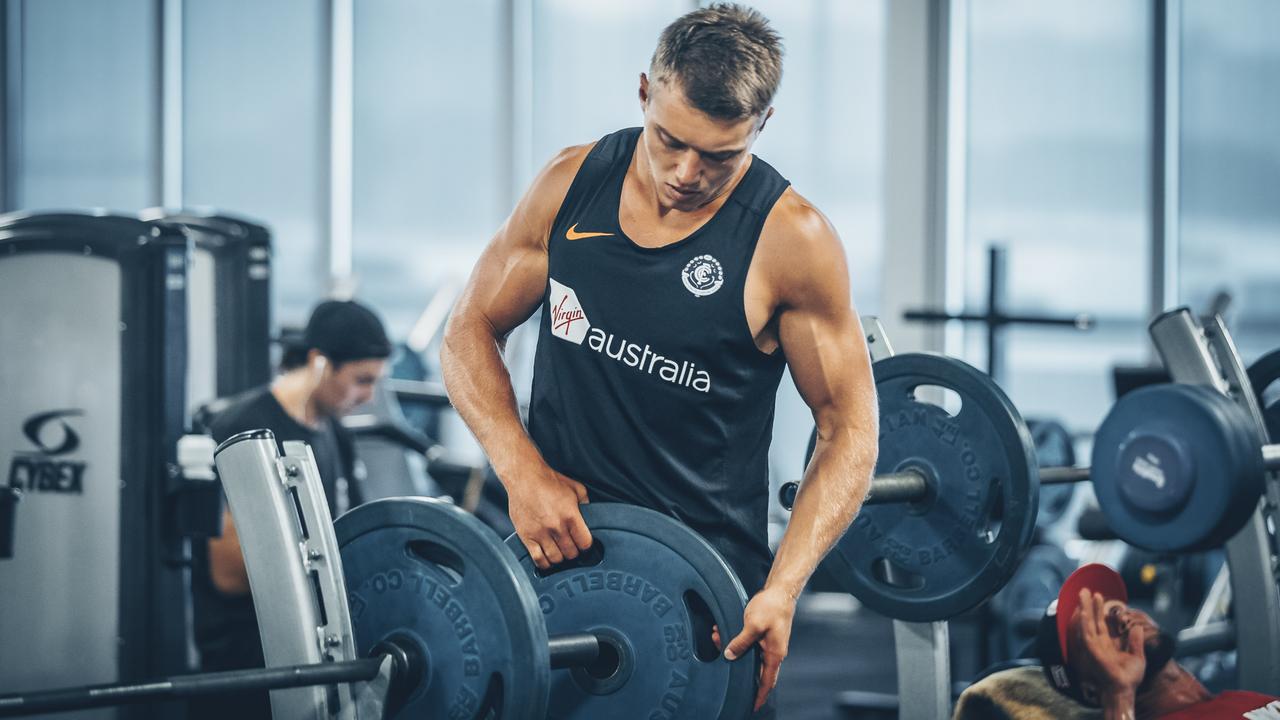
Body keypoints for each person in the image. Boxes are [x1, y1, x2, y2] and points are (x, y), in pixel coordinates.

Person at [440, 4, 879, 714]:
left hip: (704, 599)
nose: (685, 172)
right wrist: (522, 473)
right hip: (557, 565)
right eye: (669, 140)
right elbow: (469, 331)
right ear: (645, 92)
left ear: (762, 126)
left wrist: (783, 588)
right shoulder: (571, 184)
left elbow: (849, 430)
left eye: (719, 156)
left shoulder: (792, 241)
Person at [190, 299, 391, 720]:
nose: (369, 396)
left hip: (315, 656)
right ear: (319, 362)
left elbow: (354, 533)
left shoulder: (335, 433)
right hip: (247, 666)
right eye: (361, 380)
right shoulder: (240, 430)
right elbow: (227, 573)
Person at [957, 562, 1280, 720]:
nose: (1123, 618)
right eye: (1099, 628)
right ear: (1091, 689)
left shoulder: (1238, 699)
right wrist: (1119, 695)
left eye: (1118, 608)